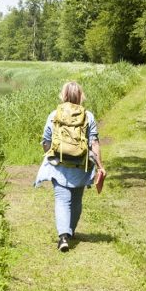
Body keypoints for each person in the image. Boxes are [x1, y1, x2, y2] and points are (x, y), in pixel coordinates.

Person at [35, 82, 106, 252]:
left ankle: (63, 237)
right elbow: (94, 143)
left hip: (59, 164)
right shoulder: (88, 116)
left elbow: (46, 141)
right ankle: (71, 231)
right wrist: (100, 166)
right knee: (76, 200)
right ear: (81, 96)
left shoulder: (55, 114)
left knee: (62, 199)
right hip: (82, 165)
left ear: (63, 95)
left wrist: (51, 154)